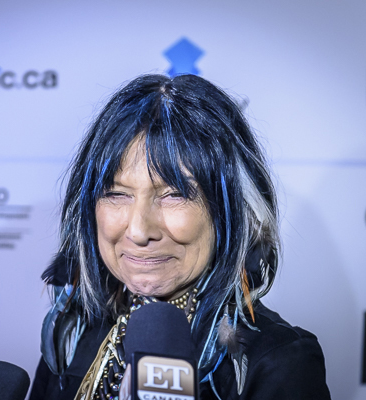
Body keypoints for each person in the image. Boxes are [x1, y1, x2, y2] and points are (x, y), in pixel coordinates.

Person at [29, 74, 330, 400]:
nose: (138, 231)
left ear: (230, 213)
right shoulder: (73, 333)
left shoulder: (279, 362)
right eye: (117, 194)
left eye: (174, 195)